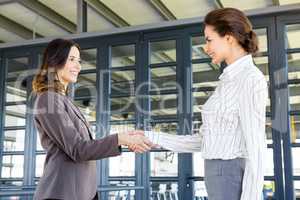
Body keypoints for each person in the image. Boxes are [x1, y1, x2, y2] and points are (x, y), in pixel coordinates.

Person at [142, 8, 268, 200]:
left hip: (230, 176)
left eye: (209, 40)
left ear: (229, 38)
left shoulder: (250, 79)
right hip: (219, 176)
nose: (205, 47)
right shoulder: (228, 79)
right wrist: (152, 137)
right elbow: (204, 140)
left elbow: (256, 147)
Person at [32, 38, 152, 200]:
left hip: (83, 191)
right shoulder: (48, 99)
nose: (78, 66)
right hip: (62, 192)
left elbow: (85, 147)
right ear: (55, 61)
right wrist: (119, 139)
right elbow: (78, 149)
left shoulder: (64, 100)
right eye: (72, 59)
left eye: (79, 61)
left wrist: (124, 139)